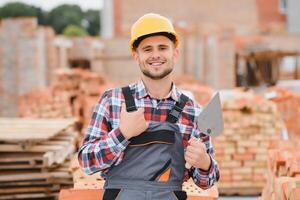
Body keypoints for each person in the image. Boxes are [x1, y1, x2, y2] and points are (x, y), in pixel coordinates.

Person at [78, 13, 219, 200]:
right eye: (147, 49)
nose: (155, 55)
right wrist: (122, 133)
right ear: (136, 56)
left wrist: (204, 162)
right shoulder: (112, 101)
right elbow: (87, 163)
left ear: (175, 54)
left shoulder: (192, 110)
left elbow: (207, 182)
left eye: (162, 48)